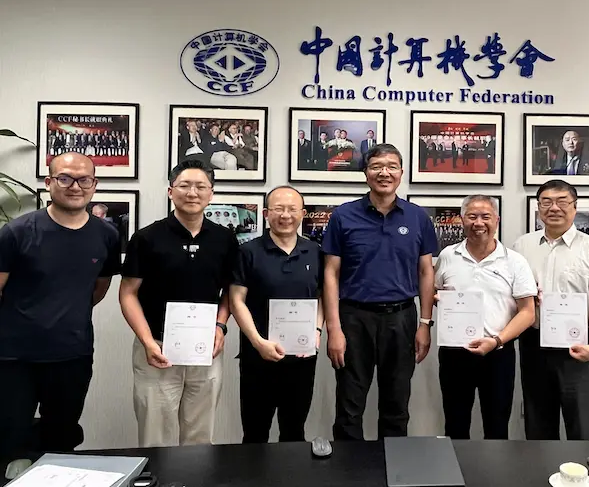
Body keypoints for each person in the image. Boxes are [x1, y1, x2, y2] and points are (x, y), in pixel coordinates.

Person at [0, 153, 121, 473]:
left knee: (62, 440)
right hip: (14, 358)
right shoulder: (17, 232)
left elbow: (97, 290)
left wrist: (63, 315)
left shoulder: (106, 235)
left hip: (73, 354)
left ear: (94, 185)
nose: (75, 186)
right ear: (49, 182)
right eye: (65, 178)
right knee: (12, 444)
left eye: (84, 180)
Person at [119, 159, 239, 447]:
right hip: (157, 350)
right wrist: (147, 341)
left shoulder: (225, 239)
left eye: (201, 187)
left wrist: (220, 327)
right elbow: (128, 293)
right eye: (184, 186)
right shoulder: (147, 237)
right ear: (171, 192)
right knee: (155, 435)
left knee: (199, 435)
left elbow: (230, 292)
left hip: (205, 350)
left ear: (211, 193)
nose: (192, 193)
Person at [322, 143, 437, 440]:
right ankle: (351, 473)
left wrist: (425, 324)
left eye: (391, 167)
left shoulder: (417, 217)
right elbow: (331, 273)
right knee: (349, 404)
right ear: (365, 173)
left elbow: (426, 272)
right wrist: (333, 329)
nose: (384, 173)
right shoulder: (343, 216)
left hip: (401, 318)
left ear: (401, 173)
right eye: (376, 167)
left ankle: (394, 473)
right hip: (354, 317)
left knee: (396, 404)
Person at [511, 179, 589, 441]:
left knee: (581, 424)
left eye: (562, 201)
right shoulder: (521, 247)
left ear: (574, 206)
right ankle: (539, 478)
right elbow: (509, 297)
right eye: (546, 202)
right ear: (538, 207)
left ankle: (579, 480)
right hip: (534, 344)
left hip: (579, 347)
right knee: (537, 423)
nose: (554, 208)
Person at [435, 195, 536, 439]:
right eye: (472, 216)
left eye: (485, 216)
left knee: (497, 424)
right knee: (455, 424)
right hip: (454, 354)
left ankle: (494, 477)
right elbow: (433, 292)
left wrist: (497, 340)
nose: (478, 222)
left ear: (497, 220)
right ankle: (457, 475)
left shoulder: (515, 261)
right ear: (461, 220)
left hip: (498, 353)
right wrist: (439, 300)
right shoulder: (448, 256)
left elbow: (528, 312)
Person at [230, 186, 324, 443]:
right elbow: (236, 300)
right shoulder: (248, 251)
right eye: (278, 209)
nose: (285, 215)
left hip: (302, 357)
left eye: (292, 209)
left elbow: (321, 297)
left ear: (303, 214)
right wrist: (258, 342)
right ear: (265, 213)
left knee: (294, 431)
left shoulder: (315, 252)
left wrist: (316, 332)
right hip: (258, 356)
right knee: (255, 432)